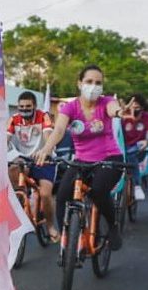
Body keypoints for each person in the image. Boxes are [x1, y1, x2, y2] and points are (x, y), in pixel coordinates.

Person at [39, 64, 129, 251]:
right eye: (89, 81)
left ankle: (112, 227)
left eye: (98, 83)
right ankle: (68, 234)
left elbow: (114, 109)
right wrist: (46, 149)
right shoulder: (70, 108)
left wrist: (120, 113)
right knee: (62, 195)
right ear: (79, 83)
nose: (93, 86)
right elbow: (59, 130)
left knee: (97, 191)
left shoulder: (106, 102)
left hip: (109, 159)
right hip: (81, 160)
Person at [7, 91, 58, 239]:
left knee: (45, 194)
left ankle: (50, 226)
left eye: (28, 106)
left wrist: (45, 151)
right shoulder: (14, 119)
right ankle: (23, 200)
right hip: (24, 159)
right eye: (21, 106)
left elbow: (49, 136)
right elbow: (5, 139)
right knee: (13, 170)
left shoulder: (44, 116)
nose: (24, 109)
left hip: (44, 158)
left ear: (35, 106)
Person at [121, 93, 148, 200]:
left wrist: (147, 141)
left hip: (139, 148)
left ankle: (137, 186)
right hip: (122, 148)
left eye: (137, 107)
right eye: (132, 106)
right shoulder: (121, 117)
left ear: (142, 107)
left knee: (132, 155)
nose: (134, 109)